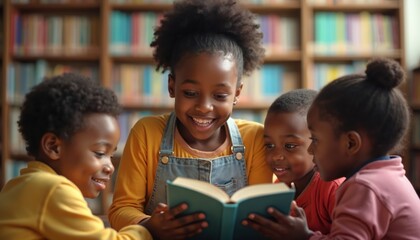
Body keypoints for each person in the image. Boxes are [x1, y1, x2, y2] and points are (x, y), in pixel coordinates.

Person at [108, 0, 272, 238]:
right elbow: (121, 209)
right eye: (191, 93)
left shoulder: (255, 138)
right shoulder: (147, 133)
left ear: (236, 94)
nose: (204, 107)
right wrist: (152, 224)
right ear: (172, 86)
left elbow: (261, 214)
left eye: (219, 95)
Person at [243, 58, 420, 239]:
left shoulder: (365, 187)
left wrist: (303, 236)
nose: (311, 150)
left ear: (350, 143)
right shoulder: (381, 177)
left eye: (316, 140)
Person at [0, 73, 169, 239]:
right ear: (53, 146)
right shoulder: (53, 190)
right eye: (100, 153)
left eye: (111, 155)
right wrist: (149, 230)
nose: (110, 167)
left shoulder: (19, 184)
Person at [262, 89, 344, 235]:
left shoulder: (334, 188)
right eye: (269, 145)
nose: (276, 156)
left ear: (317, 143)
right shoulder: (279, 189)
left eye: (290, 146)